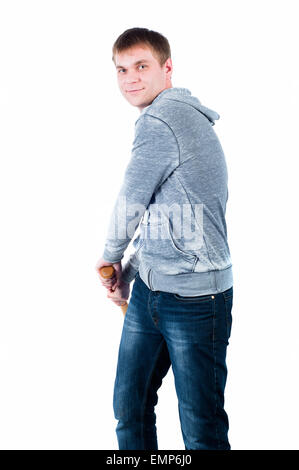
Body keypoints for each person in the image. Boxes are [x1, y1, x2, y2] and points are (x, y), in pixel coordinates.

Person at [95, 27, 234, 450]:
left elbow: (132, 202)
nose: (130, 78)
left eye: (141, 66)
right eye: (121, 69)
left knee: (201, 430)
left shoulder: (161, 120)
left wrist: (107, 257)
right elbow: (164, 216)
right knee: (131, 407)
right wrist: (129, 273)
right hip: (151, 292)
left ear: (166, 68)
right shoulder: (174, 117)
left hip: (194, 301)